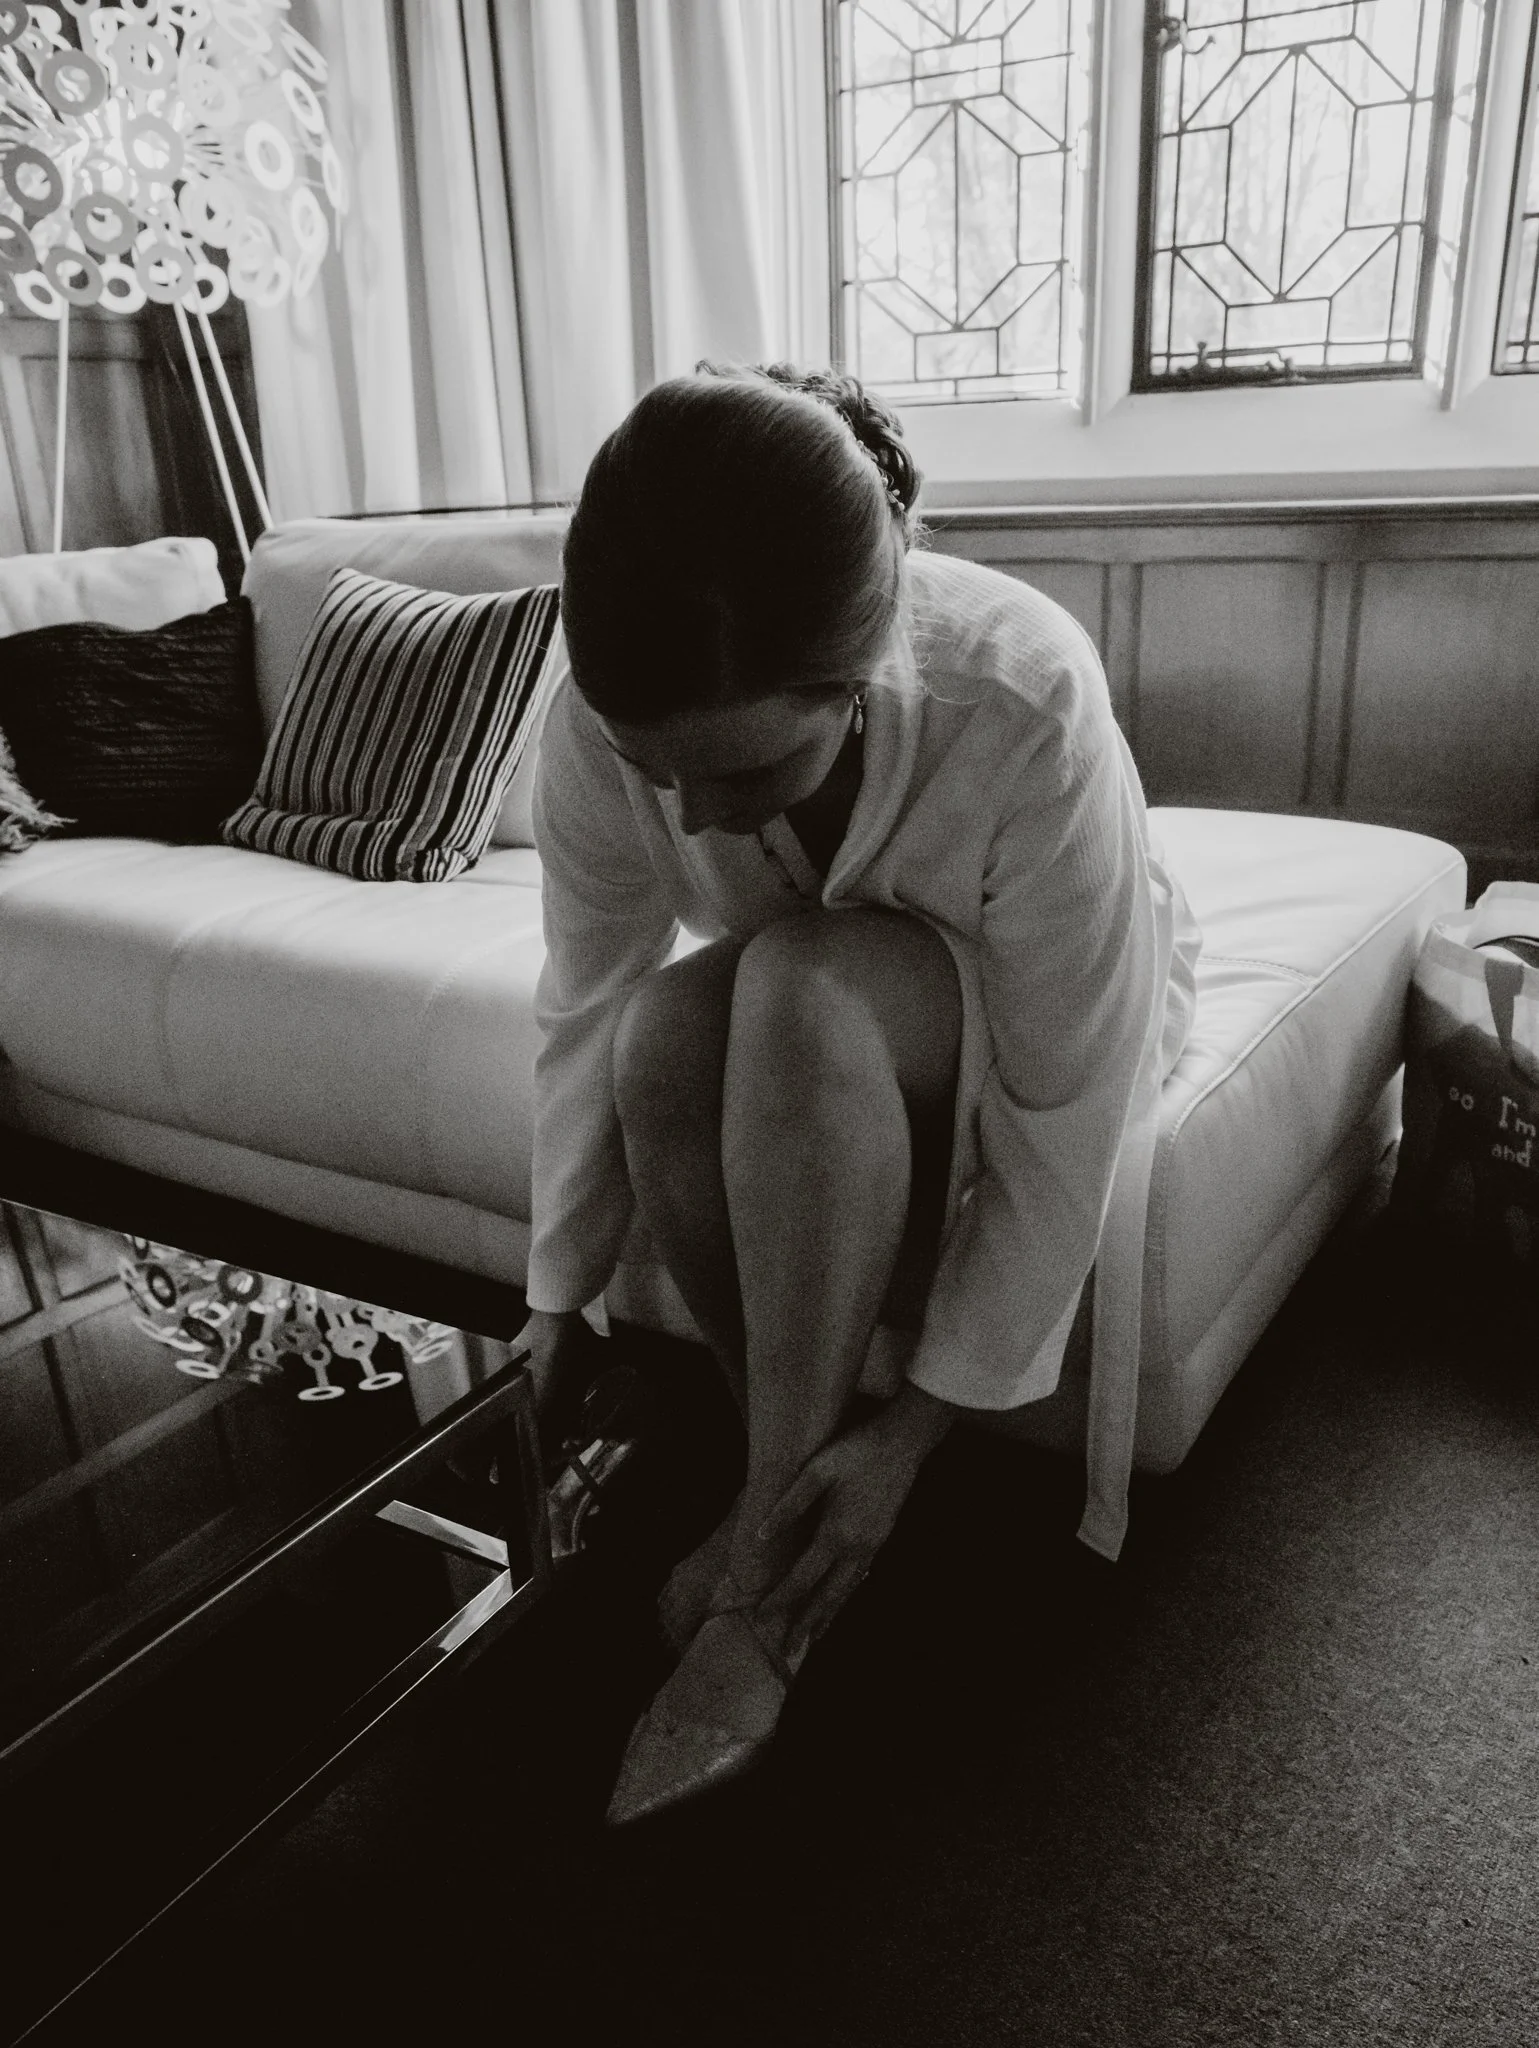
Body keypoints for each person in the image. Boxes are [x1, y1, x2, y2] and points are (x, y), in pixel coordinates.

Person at [518, 362, 1200, 1826]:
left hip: (1042, 1005)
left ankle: (766, 1577)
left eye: (745, 764)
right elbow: (584, 993)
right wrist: (554, 1290)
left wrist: (918, 1436)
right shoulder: (587, 714)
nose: (692, 818)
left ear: (869, 664)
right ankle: (779, 1463)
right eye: (657, 770)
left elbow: (1063, 1098)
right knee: (663, 1030)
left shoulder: (1018, 694)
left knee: (801, 988)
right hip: (810, 1004)